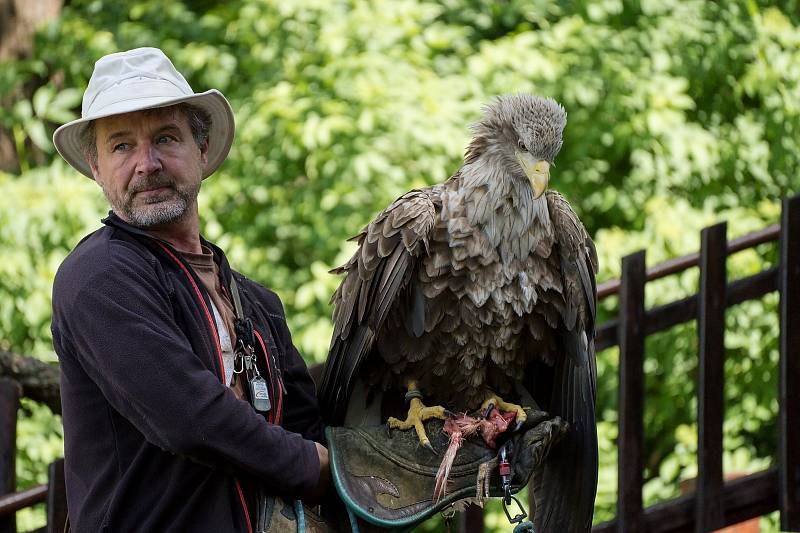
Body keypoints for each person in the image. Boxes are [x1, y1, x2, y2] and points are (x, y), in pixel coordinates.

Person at [50, 47, 329, 532]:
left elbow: (310, 425)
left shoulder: (258, 303)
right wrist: (320, 469)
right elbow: (191, 418)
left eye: (165, 138)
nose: (147, 163)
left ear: (201, 150)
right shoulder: (98, 276)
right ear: (96, 169)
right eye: (121, 146)